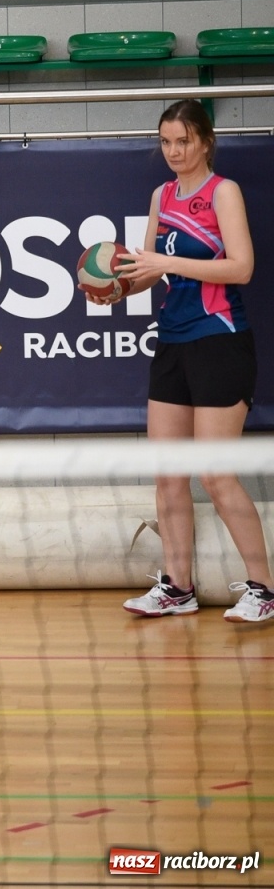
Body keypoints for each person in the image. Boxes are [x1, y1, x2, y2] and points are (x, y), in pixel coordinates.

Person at [110, 100, 273, 624]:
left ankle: (264, 590)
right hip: (174, 341)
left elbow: (241, 267)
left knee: (216, 473)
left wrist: (164, 262)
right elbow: (152, 271)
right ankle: (178, 587)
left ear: (204, 141)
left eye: (183, 141)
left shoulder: (223, 192)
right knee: (167, 471)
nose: (174, 152)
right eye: (165, 142)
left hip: (221, 340)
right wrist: (118, 289)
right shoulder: (162, 195)